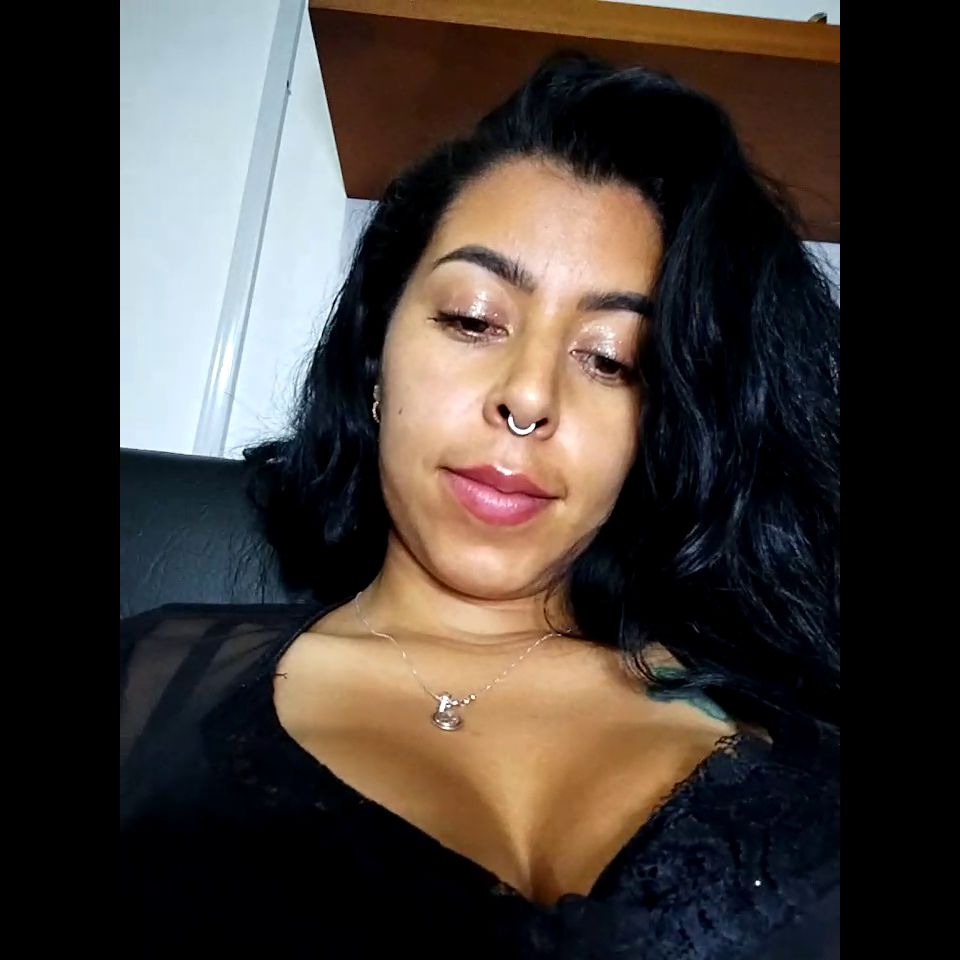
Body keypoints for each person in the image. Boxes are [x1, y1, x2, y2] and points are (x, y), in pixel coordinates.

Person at [120, 52, 839, 958]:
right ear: (376, 352)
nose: (529, 396)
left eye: (612, 359)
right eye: (472, 319)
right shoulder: (147, 685)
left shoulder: (786, 704)